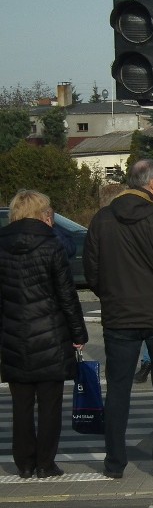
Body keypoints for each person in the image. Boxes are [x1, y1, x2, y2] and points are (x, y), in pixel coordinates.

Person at [83, 159, 153, 479]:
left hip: (118, 318)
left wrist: (112, 296)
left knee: (118, 392)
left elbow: (92, 273)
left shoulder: (101, 221)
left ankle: (114, 463)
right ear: (151, 184)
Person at [0, 190, 88, 479]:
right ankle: (45, 463)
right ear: (44, 214)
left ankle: (23, 463)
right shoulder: (51, 246)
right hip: (50, 336)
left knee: (21, 405)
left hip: (13, 336)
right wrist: (79, 333)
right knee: (50, 405)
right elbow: (67, 296)